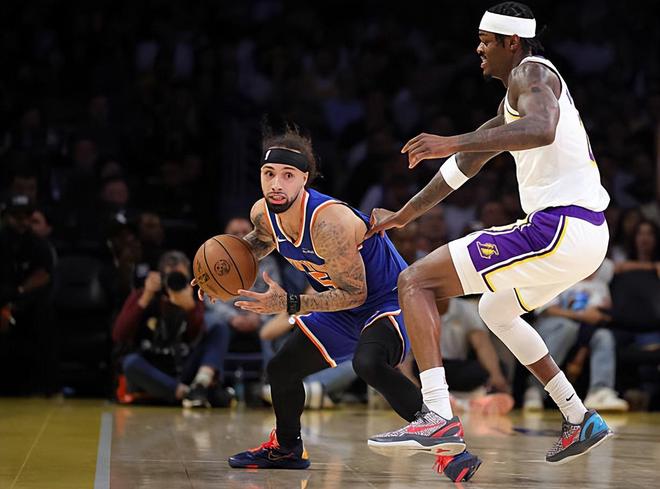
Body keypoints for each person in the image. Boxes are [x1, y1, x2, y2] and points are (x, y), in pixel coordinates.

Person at [367, 1, 613, 464]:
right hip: (586, 236)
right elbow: (465, 164)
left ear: (511, 43)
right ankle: (577, 415)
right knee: (495, 309)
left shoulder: (530, 73)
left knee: (415, 281)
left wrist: (449, 140)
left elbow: (541, 129)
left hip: (559, 226)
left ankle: (436, 414)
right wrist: (403, 215)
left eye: (485, 41)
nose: (478, 50)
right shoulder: (515, 99)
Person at [194, 125, 479, 480]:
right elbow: (260, 243)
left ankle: (451, 448)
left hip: (389, 299)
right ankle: (287, 449)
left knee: (368, 363)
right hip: (343, 306)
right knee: (282, 369)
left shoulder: (329, 224)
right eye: (269, 174)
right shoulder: (262, 214)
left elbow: (355, 294)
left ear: (304, 180)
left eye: (287, 175)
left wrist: (290, 302)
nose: (276, 184)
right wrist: (215, 275)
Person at [112, 250, 231, 408]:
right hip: (152, 368)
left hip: (183, 367)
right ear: (161, 278)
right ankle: (188, 393)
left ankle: (200, 383)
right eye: (171, 277)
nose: (176, 282)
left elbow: (197, 338)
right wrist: (145, 299)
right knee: (130, 363)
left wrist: (190, 309)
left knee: (219, 327)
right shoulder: (144, 295)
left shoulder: (192, 298)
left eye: (181, 277)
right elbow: (119, 335)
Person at [523, 271, 629, 412]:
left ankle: (599, 391)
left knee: (603, 335)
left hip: (583, 332)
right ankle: (536, 388)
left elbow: (595, 319)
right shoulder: (555, 274)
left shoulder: (599, 285)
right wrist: (581, 315)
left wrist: (580, 354)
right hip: (553, 327)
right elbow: (548, 310)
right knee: (568, 328)